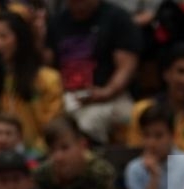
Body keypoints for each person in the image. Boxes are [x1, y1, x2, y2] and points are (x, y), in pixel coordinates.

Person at [0, 9, 64, 158]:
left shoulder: (48, 79)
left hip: (40, 158)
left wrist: (36, 153)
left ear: (21, 38)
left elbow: (53, 125)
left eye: (3, 37)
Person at [49, 0, 142, 145]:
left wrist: (106, 92)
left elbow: (126, 67)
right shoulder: (56, 22)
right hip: (67, 97)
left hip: (111, 97)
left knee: (87, 125)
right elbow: (47, 64)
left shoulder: (116, 18)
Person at [35, 114, 126, 189]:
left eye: (65, 148)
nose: (58, 157)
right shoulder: (42, 176)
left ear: (82, 145)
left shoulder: (100, 173)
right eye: (52, 150)